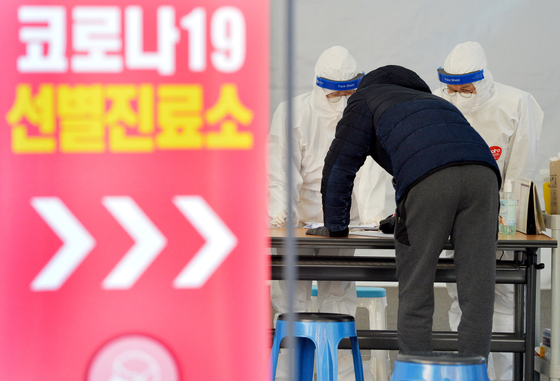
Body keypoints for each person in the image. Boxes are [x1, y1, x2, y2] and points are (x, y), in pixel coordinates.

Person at [307, 65, 501, 360]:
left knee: (417, 286)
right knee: (478, 290)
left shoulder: (366, 99)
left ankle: (416, 371)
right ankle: (473, 372)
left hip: (431, 181)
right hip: (484, 177)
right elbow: (441, 152)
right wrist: (403, 214)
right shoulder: (437, 102)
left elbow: (339, 167)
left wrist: (335, 227)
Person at [268, 46, 387, 381]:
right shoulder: (293, 112)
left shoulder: (368, 114)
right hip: (300, 222)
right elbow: (280, 167)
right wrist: (281, 211)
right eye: (336, 93)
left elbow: (373, 171)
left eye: (349, 92)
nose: (342, 100)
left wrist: (373, 219)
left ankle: (341, 376)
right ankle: (291, 376)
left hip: (342, 223)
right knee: (291, 301)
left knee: (339, 299)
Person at [434, 41, 543, 381]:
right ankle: (469, 375)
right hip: (453, 222)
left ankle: (503, 376)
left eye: (464, 88)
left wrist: (507, 221)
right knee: (460, 298)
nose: (457, 93)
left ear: (481, 80)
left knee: (504, 301)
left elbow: (521, 168)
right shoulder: (437, 103)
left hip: (500, 222)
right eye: (451, 87)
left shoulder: (516, 103)